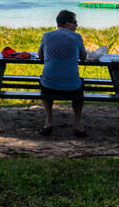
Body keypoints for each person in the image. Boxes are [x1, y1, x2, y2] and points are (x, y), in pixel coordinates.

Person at [37, 9, 87, 137]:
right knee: (80, 84)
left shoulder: (46, 35)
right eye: (75, 23)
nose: (76, 26)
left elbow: (40, 56)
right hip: (72, 86)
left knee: (45, 80)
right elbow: (83, 57)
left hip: (49, 86)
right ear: (68, 23)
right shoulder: (76, 37)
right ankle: (77, 123)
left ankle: (49, 121)